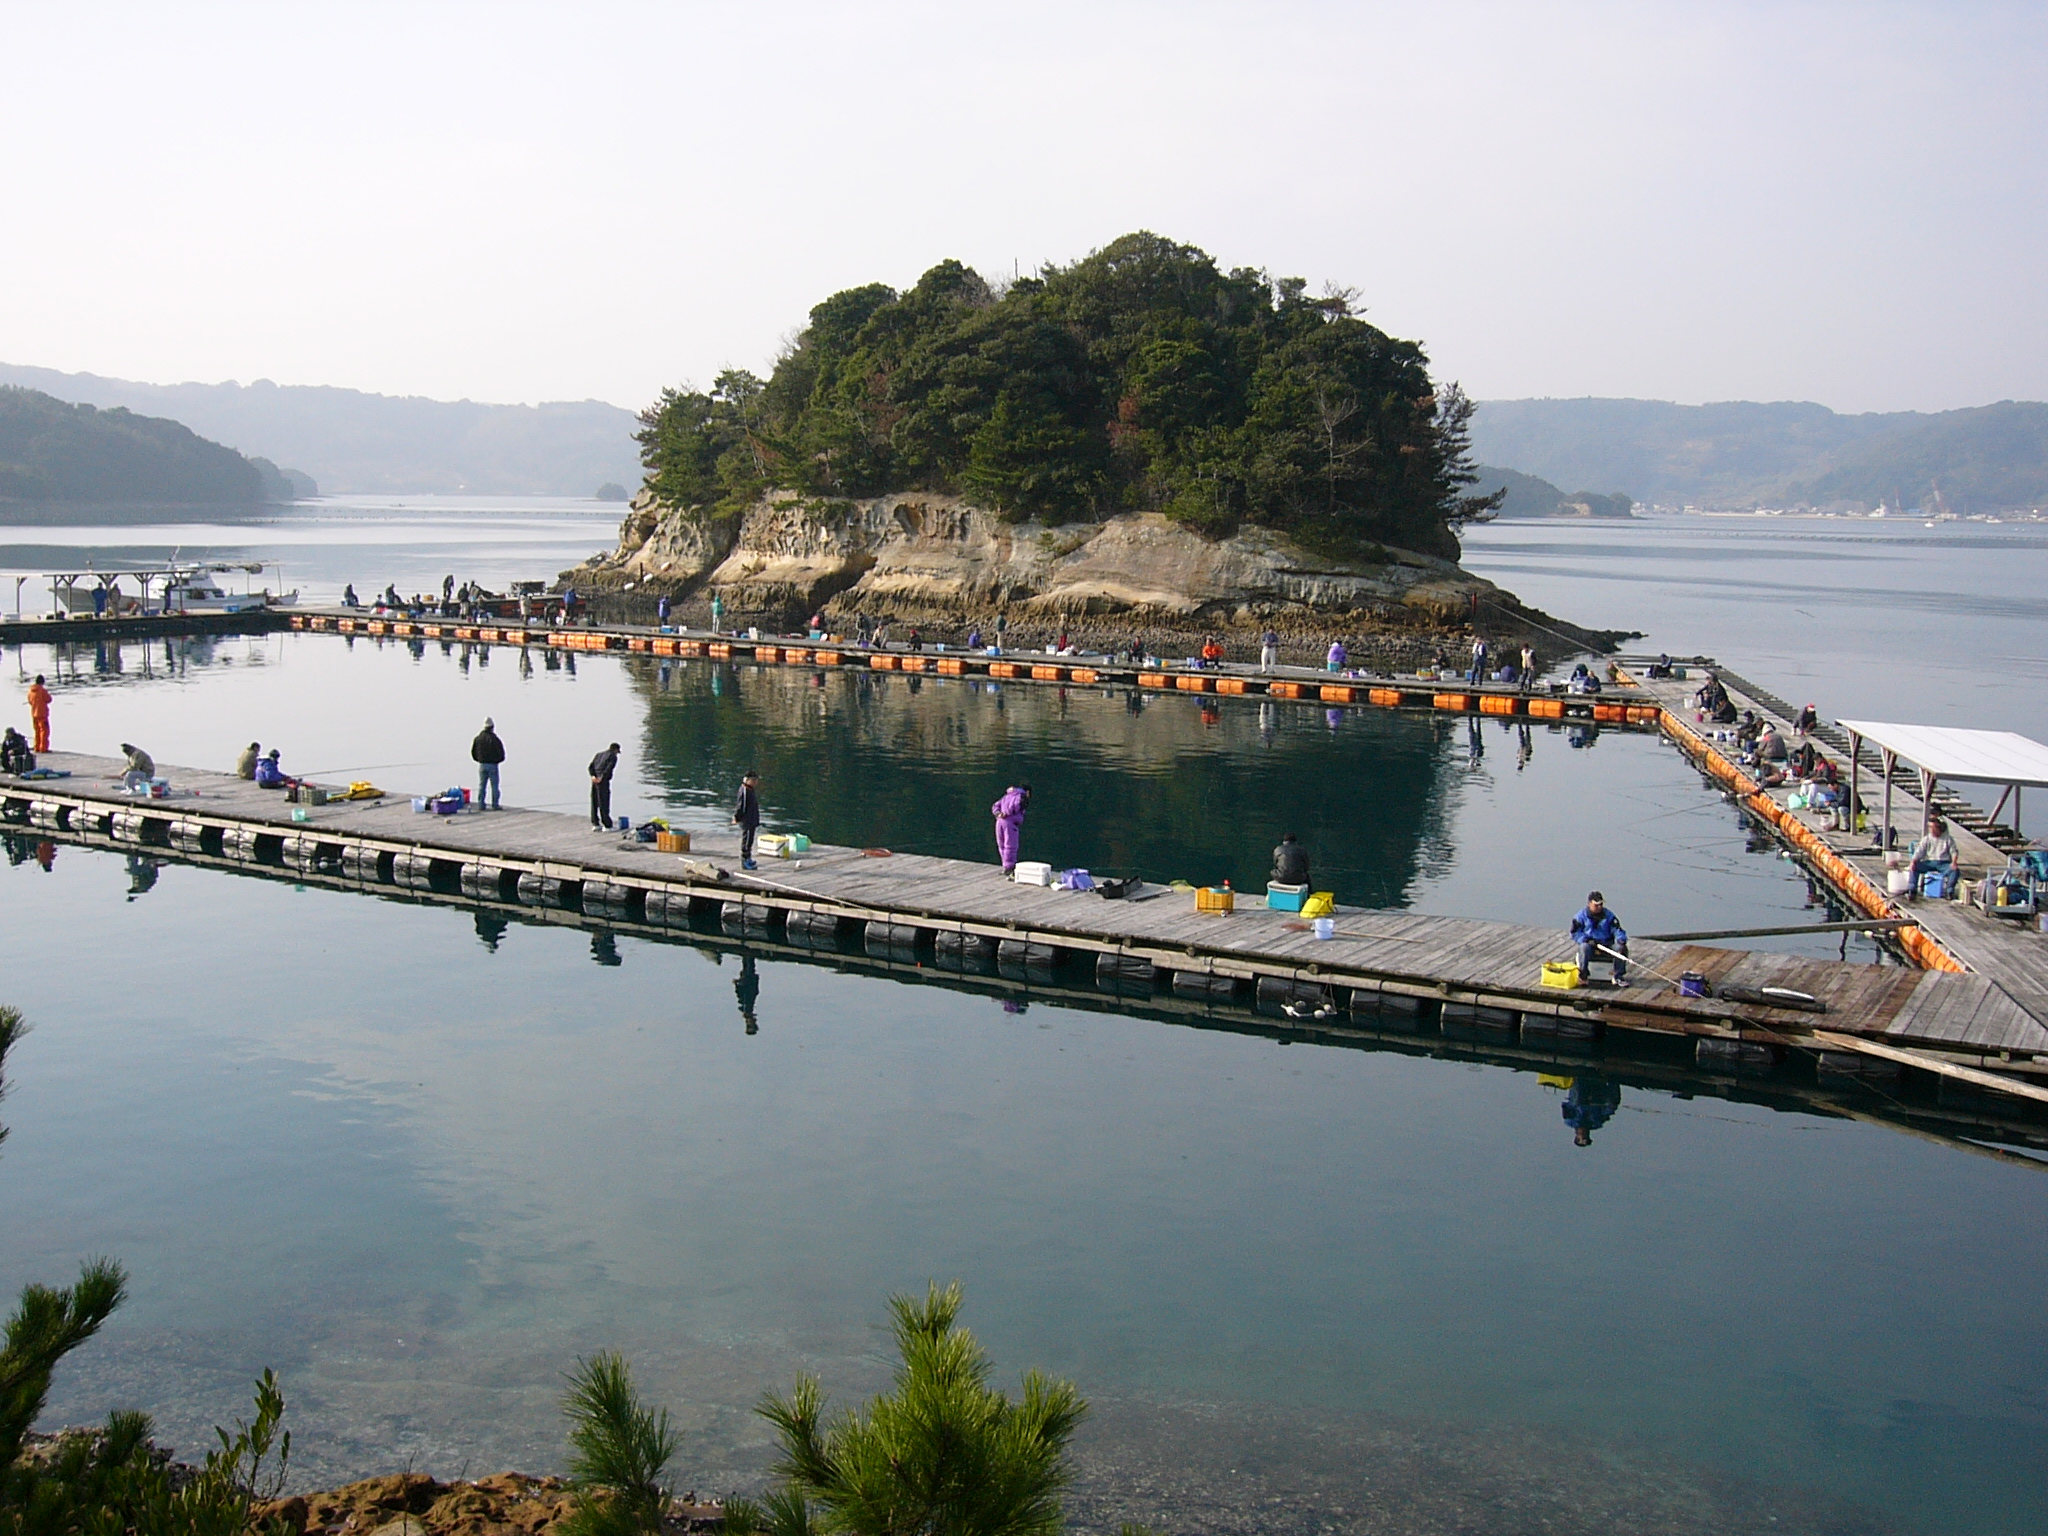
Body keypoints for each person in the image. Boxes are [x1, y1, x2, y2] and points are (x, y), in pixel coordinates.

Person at [1569, 890, 1628, 985]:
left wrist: (1621, 940)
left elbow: (1617, 930)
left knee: (1621, 948)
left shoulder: (1609, 915)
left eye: (1601, 904)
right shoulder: (1580, 916)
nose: (1599, 907)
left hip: (1607, 943)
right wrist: (1586, 940)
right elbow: (1575, 933)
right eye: (1596, 905)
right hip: (1591, 944)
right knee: (1583, 948)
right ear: (1589, 904)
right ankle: (1583, 975)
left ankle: (1618, 976)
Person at [1561, 1073, 1621, 1147]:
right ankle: (1614, 1076)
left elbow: (1566, 1106)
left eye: (1580, 1138)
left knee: (1579, 1099)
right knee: (1613, 1101)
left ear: (1576, 1136)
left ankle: (1579, 1074)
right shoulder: (1596, 1123)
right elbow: (1606, 1112)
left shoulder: (1570, 1121)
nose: (1583, 1135)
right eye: (1585, 1137)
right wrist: (1611, 1107)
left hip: (1580, 1093)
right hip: (1598, 1095)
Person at [1908, 816, 1958, 892]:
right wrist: (1913, 861)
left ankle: (1949, 890)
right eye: (1930, 827)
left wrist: (1954, 862)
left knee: (1954, 871)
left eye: (1933, 827)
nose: (1931, 830)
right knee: (1914, 867)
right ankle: (1912, 889)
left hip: (1943, 863)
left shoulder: (1948, 839)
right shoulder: (1927, 838)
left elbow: (1954, 851)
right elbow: (1919, 851)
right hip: (1929, 862)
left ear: (1939, 828)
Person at [991, 783, 1031, 875]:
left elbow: (995, 806)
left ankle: (1005, 866)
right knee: (1010, 845)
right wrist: (1007, 813)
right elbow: (1017, 805)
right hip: (1009, 822)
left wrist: (998, 813)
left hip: (999, 821)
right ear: (1027, 792)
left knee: (1001, 845)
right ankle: (1010, 868)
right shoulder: (1021, 796)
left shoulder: (1007, 796)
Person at [471, 717, 505, 809]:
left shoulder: (478, 739)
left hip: (482, 765)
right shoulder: (495, 739)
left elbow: (473, 753)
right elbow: (501, 754)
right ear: (492, 727)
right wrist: (497, 760)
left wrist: (479, 760)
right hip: (493, 765)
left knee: (482, 785)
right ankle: (495, 805)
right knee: (494, 786)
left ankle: (481, 804)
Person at [733, 768, 762, 870]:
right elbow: (741, 806)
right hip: (747, 821)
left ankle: (748, 858)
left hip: (752, 820)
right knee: (746, 840)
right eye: (753, 780)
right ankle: (745, 861)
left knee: (750, 840)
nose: (755, 782)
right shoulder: (744, 791)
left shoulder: (750, 790)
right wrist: (737, 817)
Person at [588, 742, 620, 829]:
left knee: (594, 802)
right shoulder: (613, 756)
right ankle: (607, 825)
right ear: (616, 750)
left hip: (594, 781)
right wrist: (601, 778)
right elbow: (609, 768)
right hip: (603, 781)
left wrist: (593, 776)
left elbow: (591, 767)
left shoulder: (599, 754)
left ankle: (595, 823)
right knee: (604, 802)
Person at [27, 674, 52, 754]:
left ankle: (37, 747)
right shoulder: (42, 691)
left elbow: (30, 701)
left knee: (37, 731)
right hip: (42, 714)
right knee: (44, 731)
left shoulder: (31, 691)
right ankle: (43, 748)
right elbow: (49, 699)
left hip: (34, 713)